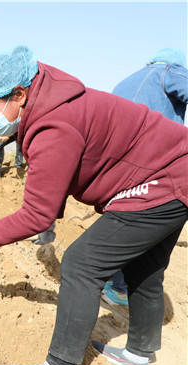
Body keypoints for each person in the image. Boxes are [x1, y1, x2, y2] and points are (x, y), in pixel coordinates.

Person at [0, 46, 188, 365]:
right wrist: (47, 224)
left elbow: (35, 214)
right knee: (144, 265)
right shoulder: (49, 95)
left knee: (82, 263)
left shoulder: (54, 125)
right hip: (176, 171)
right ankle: (138, 356)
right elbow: (57, 181)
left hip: (163, 181)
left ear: (19, 93)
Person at [102, 48, 188, 307]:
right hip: (155, 165)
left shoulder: (124, 81)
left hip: (119, 164)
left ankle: (109, 281)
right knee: (148, 231)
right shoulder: (168, 73)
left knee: (120, 220)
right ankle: (120, 288)